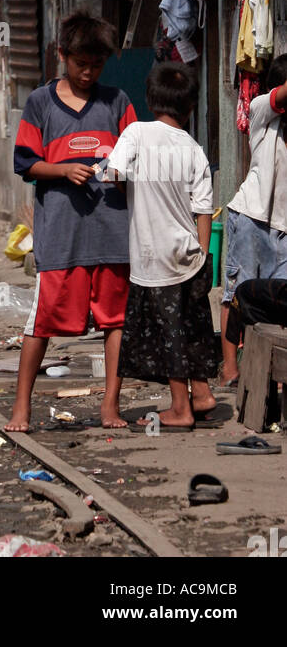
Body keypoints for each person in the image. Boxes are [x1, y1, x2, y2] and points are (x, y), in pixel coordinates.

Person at [5, 9, 137, 433]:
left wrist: (118, 170)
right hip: (61, 235)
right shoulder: (40, 102)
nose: (88, 72)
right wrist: (62, 170)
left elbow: (137, 158)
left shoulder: (118, 102)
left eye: (96, 64)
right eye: (81, 63)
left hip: (112, 232)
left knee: (115, 322)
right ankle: (21, 408)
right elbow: (24, 163)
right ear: (62, 55)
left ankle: (110, 406)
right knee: (42, 321)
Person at [97, 62, 217, 429]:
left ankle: (180, 407)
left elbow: (113, 172)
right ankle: (202, 393)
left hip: (153, 254)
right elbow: (204, 209)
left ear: (150, 100)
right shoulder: (194, 149)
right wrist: (201, 252)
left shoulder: (136, 133)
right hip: (189, 252)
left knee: (169, 332)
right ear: (191, 106)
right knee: (191, 325)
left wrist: (130, 186)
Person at [220, 54, 287, 384]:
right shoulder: (262, 109)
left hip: (285, 229)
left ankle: (270, 373)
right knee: (236, 294)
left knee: (277, 302)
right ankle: (230, 368)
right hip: (252, 219)